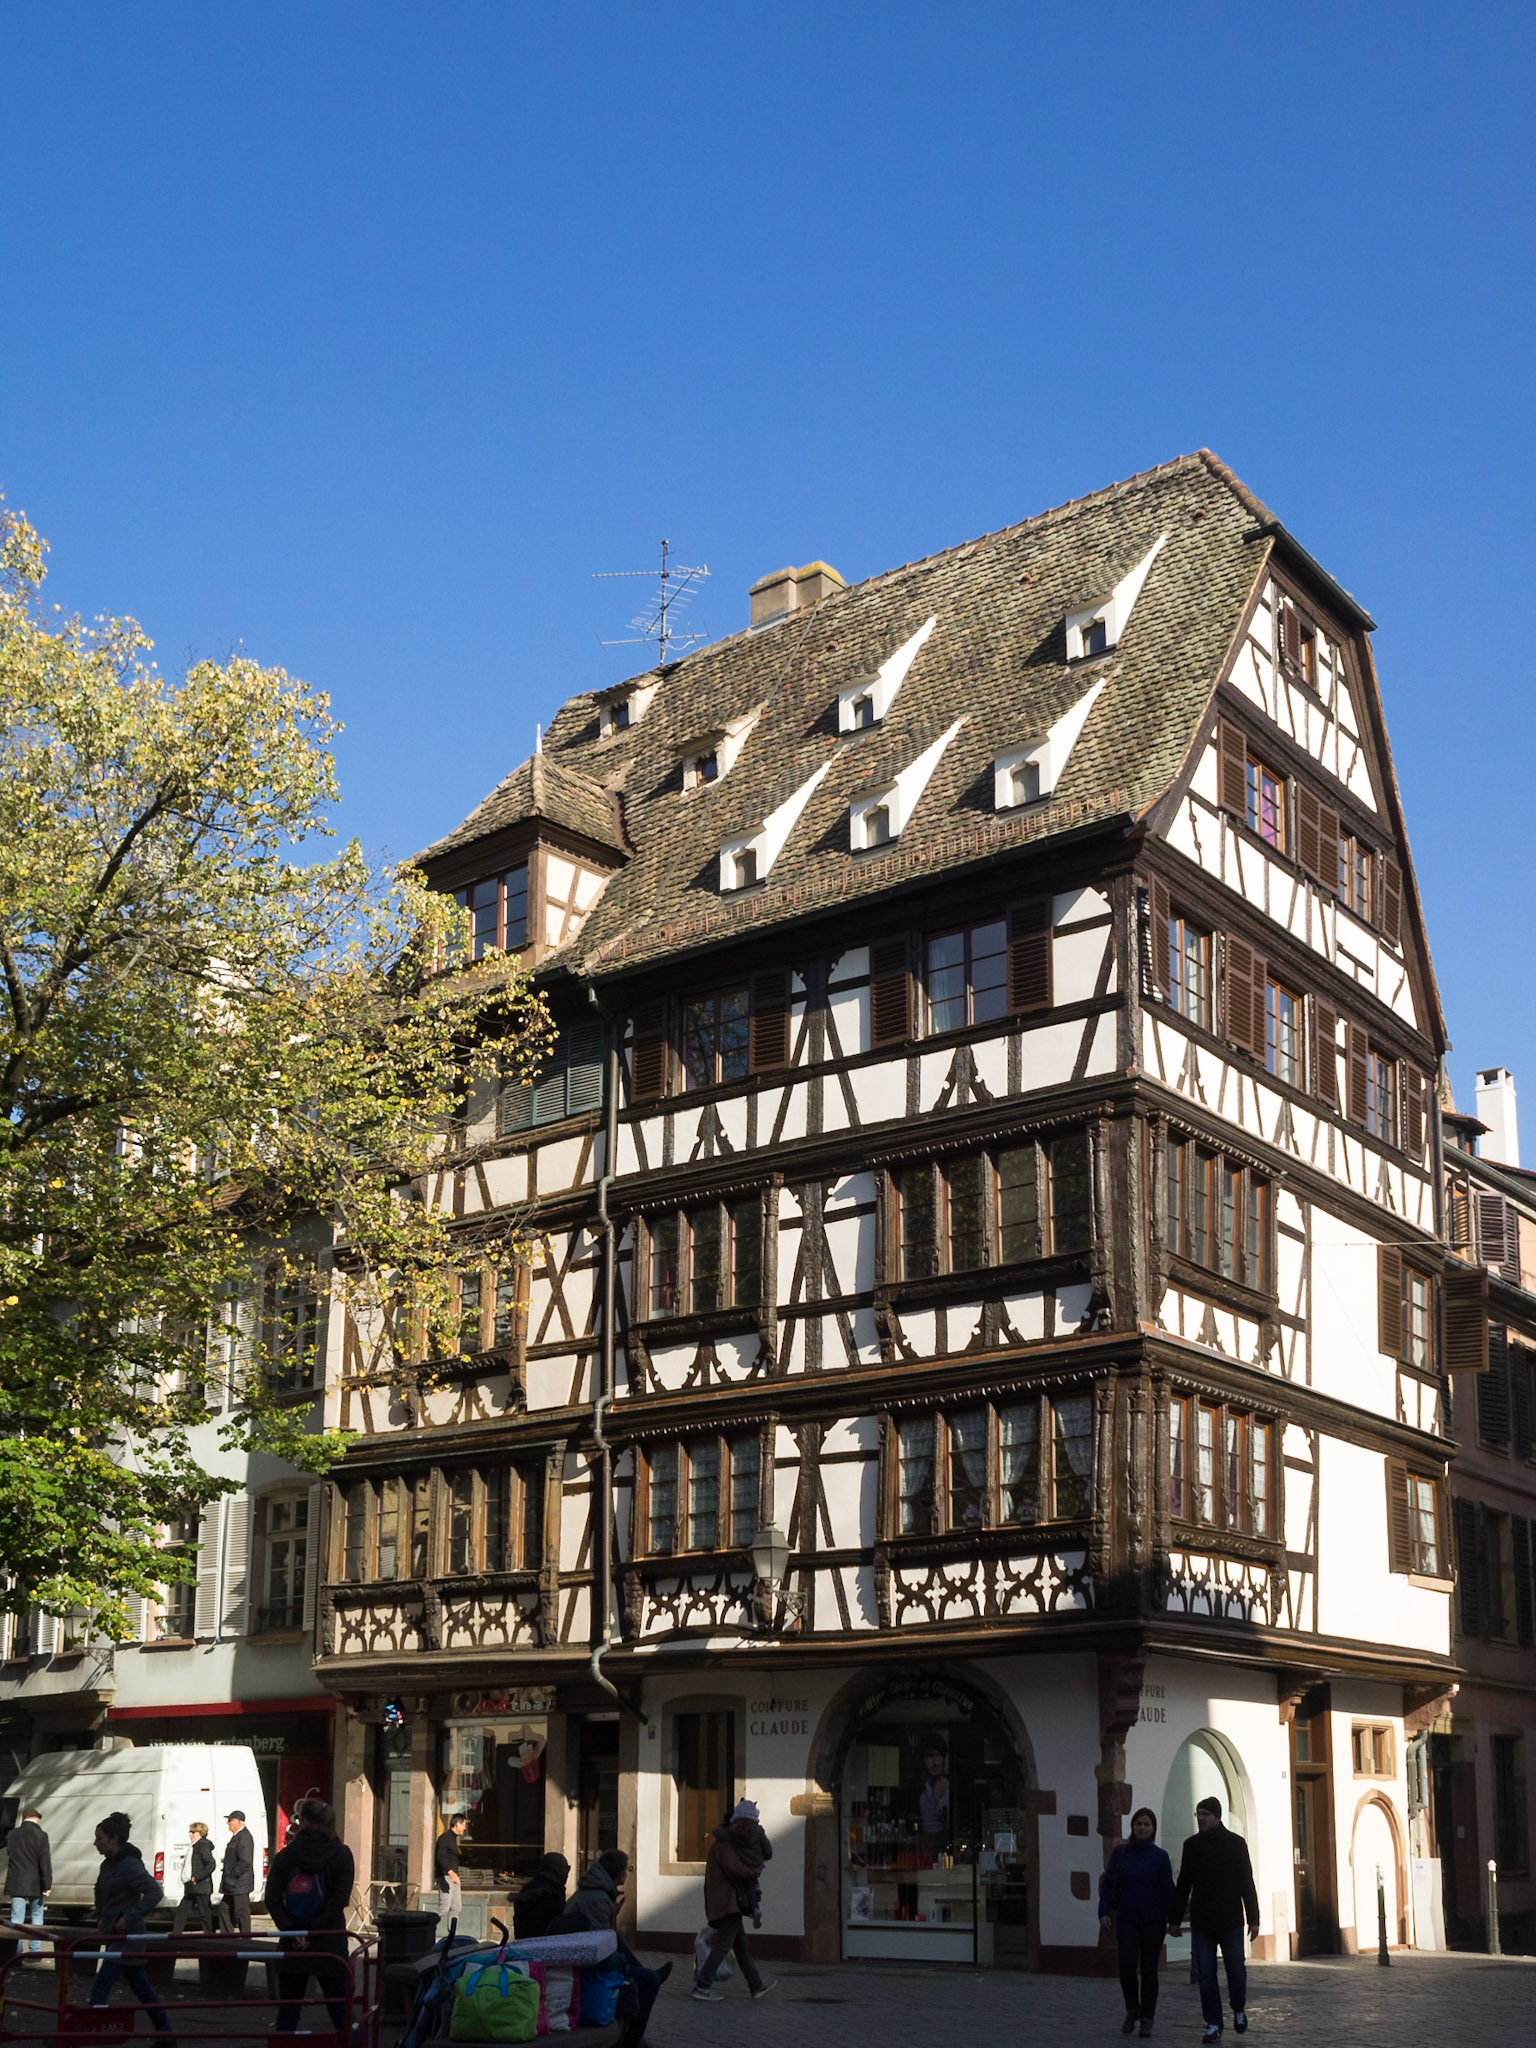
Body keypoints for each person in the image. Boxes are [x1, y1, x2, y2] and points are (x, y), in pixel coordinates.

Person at [547, 1849, 670, 2046]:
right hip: (587, 1965)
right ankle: (631, 2040)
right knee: (650, 1982)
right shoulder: (597, 1898)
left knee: (618, 1942)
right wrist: (619, 1965)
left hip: (587, 1956)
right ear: (620, 1873)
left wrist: (612, 1914)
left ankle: (646, 1972)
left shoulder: (598, 1894)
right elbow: (599, 1948)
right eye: (625, 1871)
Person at [1169, 1796, 1260, 2043]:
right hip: (1203, 1921)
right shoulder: (1191, 1845)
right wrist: (1175, 1919)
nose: (1201, 1819)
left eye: (1205, 1814)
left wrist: (1254, 1918)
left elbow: (1246, 1882)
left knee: (1236, 1971)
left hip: (1230, 1919)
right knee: (1206, 1975)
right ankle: (1213, 2023)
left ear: (1217, 1817)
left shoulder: (1236, 1844)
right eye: (1198, 1814)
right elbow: (1184, 1883)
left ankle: (1239, 2009)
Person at [264, 1795, 357, 2037]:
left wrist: (293, 1931)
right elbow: (339, 1900)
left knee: (288, 2014)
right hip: (330, 1943)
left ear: (302, 1821)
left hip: (292, 1941)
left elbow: (272, 1897)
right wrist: (316, 1930)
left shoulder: (286, 1855)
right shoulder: (342, 1854)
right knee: (341, 2013)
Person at [87, 1811, 172, 2037]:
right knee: (143, 1990)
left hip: (128, 1939)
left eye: (100, 1838)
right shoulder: (108, 1865)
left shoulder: (129, 1865)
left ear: (114, 1838)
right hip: (115, 1936)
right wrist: (101, 1916)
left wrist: (130, 1917)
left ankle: (78, 2036)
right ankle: (166, 2035)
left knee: (100, 1989)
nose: (95, 1843)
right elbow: (99, 1890)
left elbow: (154, 1892)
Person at [1099, 1806, 1175, 2039]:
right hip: (1127, 1918)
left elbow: (1168, 1889)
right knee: (1126, 1964)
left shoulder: (1160, 1857)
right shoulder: (1121, 1853)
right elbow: (1107, 1884)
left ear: (1153, 1829)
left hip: (1153, 1919)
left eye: (1147, 1824)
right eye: (1138, 1824)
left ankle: (1147, 2018)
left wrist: (1173, 1920)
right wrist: (1103, 1911)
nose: (1142, 1828)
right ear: (1132, 1827)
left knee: (1150, 1970)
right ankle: (1132, 2008)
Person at [691, 1801, 775, 2003]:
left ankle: (756, 1986)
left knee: (741, 1946)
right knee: (723, 1946)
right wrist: (755, 1871)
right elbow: (735, 1868)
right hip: (727, 1903)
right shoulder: (724, 1845)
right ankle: (702, 1986)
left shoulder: (726, 1843)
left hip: (729, 1903)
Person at [5, 1806, 51, 1956]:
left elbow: (10, 1854)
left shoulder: (11, 1835)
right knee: (37, 1917)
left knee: (16, 1920)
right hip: (36, 1883)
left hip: (16, 1881)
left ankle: (16, 1953)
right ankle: (34, 1952)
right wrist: (47, 1884)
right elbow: (44, 1862)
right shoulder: (41, 1835)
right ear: (36, 1818)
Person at [510, 1852, 570, 1941]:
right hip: (542, 1946)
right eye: (567, 1868)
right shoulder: (551, 1894)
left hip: (525, 1944)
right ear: (557, 1869)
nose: (568, 1873)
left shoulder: (531, 1887)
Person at [171, 1821, 216, 1937]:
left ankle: (211, 1938)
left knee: (205, 1914)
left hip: (200, 1886)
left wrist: (197, 1877)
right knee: (182, 1911)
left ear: (201, 1833)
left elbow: (211, 1864)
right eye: (190, 1832)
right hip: (192, 1886)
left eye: (193, 1832)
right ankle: (176, 1936)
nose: (190, 1834)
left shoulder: (202, 1846)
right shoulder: (194, 1846)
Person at [218, 1809, 255, 1937]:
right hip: (233, 1883)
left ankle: (246, 1940)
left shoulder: (244, 1837)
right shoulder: (237, 1837)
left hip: (239, 1883)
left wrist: (231, 1876)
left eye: (230, 1821)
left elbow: (245, 1862)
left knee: (241, 1912)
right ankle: (227, 1937)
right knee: (224, 1908)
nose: (227, 1823)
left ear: (238, 1822)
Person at [434, 1812, 467, 1925]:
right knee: (443, 1909)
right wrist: (450, 1872)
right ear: (457, 1824)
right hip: (446, 1878)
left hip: (454, 1877)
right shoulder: (444, 1838)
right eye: (463, 1825)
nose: (464, 1828)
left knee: (457, 1908)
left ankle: (452, 1937)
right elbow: (440, 1857)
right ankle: (427, 1928)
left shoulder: (453, 1839)